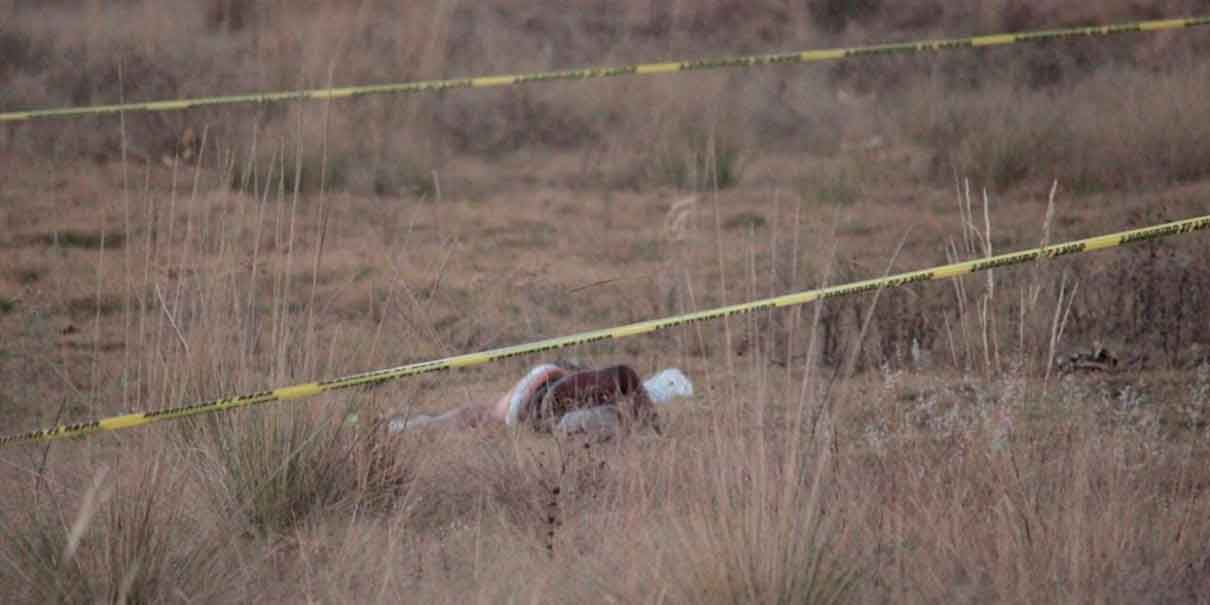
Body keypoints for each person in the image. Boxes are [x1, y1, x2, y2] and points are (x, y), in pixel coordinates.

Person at [386, 362, 693, 435]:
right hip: (538, 394)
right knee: (478, 415)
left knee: (475, 415)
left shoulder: (600, 413)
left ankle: (407, 425)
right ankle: (406, 426)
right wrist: (654, 425)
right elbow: (624, 374)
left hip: (541, 399)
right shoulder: (564, 398)